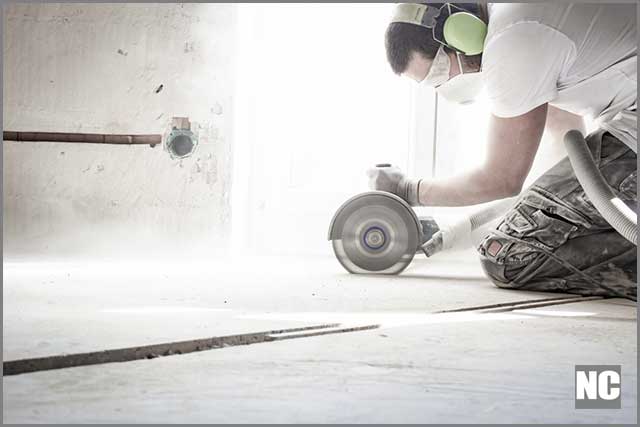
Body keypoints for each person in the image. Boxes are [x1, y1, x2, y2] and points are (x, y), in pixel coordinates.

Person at [369, 2, 637, 298]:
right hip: (629, 133)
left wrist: (407, 190)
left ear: (461, 32)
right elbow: (566, 143)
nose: (443, 86)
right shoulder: (524, 16)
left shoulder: (513, 39)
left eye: (438, 73)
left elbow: (502, 179)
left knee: (508, 256)